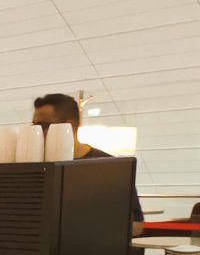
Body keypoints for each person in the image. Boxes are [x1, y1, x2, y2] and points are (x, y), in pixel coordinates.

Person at [32, 93, 145, 236]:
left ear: (71, 125)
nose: (37, 133)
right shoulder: (35, 165)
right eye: (34, 126)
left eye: (44, 126)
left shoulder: (110, 168)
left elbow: (137, 224)